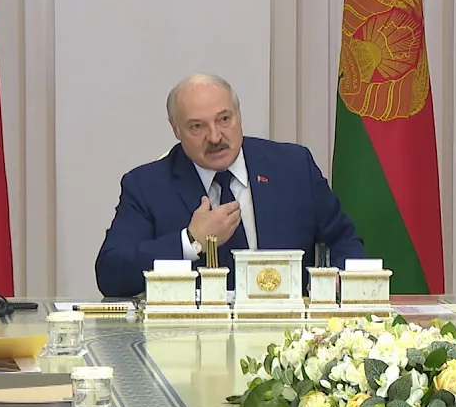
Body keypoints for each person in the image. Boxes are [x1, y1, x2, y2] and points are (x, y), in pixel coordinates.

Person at [95, 74, 365, 297]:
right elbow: (111, 274)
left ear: (239, 115)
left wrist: (340, 280)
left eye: (224, 119)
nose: (215, 137)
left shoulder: (292, 167)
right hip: (193, 338)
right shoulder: (147, 186)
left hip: (288, 332)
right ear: (176, 130)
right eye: (197, 127)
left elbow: (343, 240)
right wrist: (191, 241)